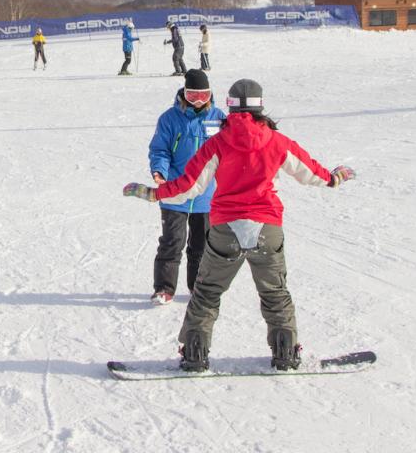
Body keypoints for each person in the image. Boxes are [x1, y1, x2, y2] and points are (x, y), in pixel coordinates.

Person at [123, 79, 355, 372]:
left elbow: (188, 186)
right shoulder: (277, 140)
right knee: (275, 293)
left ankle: (195, 354)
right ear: (261, 105)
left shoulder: (218, 143)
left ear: (228, 106)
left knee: (206, 293)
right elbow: (313, 173)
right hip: (266, 228)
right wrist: (335, 177)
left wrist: (154, 192)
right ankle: (285, 352)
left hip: (226, 229)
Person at [148, 69, 226, 305]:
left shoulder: (219, 117)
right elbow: (160, 149)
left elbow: (228, 151)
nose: (199, 101)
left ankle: (198, 288)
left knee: (202, 246)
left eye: (204, 95)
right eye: (193, 96)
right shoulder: (169, 118)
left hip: (206, 194)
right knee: (173, 242)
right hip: (176, 192)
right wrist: (159, 171)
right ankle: (164, 288)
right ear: (184, 93)